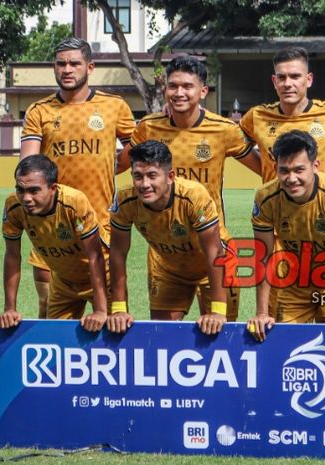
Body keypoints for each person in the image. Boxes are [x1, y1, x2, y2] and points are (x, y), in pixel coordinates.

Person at [121, 55, 260, 321]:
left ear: (203, 91)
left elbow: (264, 169)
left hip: (214, 246)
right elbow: (117, 165)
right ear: (165, 90)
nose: (179, 92)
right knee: (163, 338)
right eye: (173, 86)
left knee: (222, 335)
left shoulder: (223, 129)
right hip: (167, 255)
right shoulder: (148, 127)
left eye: (187, 86)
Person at [20, 37, 135, 319]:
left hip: (100, 223)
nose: (67, 69)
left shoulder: (114, 106)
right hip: (51, 226)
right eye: (61, 64)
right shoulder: (39, 111)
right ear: (54, 68)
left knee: (110, 319)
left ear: (90, 67)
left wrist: (114, 167)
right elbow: (27, 164)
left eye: (74, 63)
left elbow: (137, 147)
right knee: (48, 313)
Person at [246, 130, 325, 342]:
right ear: (276, 169)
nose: (292, 179)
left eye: (299, 170)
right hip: (295, 283)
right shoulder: (265, 198)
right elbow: (263, 257)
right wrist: (262, 312)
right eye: (284, 171)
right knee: (282, 342)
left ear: (315, 166)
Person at [107, 141, 227, 335]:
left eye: (152, 176)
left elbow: (214, 252)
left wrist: (218, 311)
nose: (144, 184)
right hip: (168, 268)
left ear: (170, 176)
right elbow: (118, 254)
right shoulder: (124, 201)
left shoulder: (193, 196)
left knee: (221, 332)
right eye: (138, 176)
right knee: (162, 334)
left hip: (212, 266)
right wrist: (119, 308)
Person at [0, 155, 108, 332]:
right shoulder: (13, 206)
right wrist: (10, 309)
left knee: (111, 336)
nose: (26, 198)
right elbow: (12, 256)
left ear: (53, 188)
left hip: (103, 277)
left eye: (34, 191)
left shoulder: (74, 202)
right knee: (55, 338)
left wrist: (102, 311)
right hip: (63, 282)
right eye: (20, 190)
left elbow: (95, 256)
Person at [240, 46, 325, 183]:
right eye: (281, 77)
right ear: (274, 82)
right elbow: (234, 142)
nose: (287, 84)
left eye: (295, 76)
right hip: (274, 204)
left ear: (309, 79)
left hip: (321, 203)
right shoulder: (257, 116)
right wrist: (266, 169)